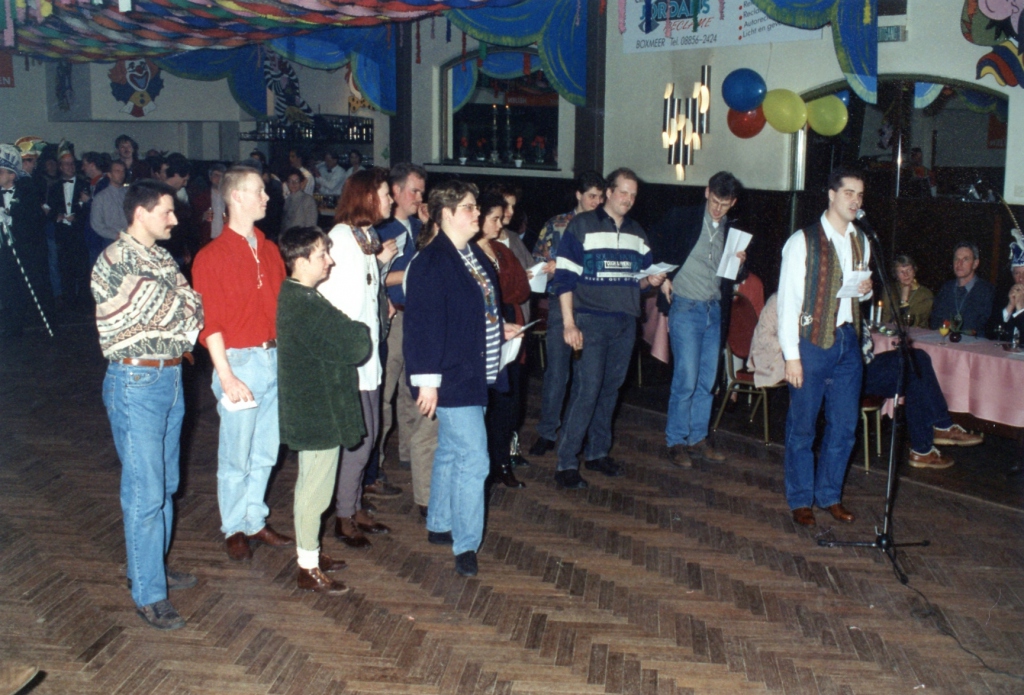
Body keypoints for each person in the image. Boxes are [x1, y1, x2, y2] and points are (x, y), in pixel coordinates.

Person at [92, 179, 203, 629]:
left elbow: (194, 309)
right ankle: (148, 593)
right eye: (166, 212)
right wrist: (181, 303)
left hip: (171, 375)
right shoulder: (115, 259)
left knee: (166, 484)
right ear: (140, 213)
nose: (175, 219)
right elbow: (169, 310)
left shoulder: (159, 256)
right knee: (145, 491)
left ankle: (150, 564)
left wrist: (182, 303)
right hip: (136, 381)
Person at [404, 180, 519, 577]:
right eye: (469, 208)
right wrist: (426, 381)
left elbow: (477, 308)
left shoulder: (473, 255)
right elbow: (422, 327)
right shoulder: (431, 261)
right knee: (475, 459)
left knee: (453, 451)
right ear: (447, 214)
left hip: (475, 369)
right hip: (450, 376)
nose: (478, 214)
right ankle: (466, 545)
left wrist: (499, 327)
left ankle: (440, 523)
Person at [192, 166, 294, 561]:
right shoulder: (211, 256)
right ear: (236, 196)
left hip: (273, 357)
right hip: (238, 362)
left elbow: (281, 310)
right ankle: (233, 526)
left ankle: (254, 520)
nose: (267, 198)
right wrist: (226, 376)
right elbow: (210, 324)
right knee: (236, 453)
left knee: (266, 450)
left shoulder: (269, 250)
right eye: (259, 191)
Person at [549, 168, 666, 489]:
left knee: (610, 390)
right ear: (609, 193)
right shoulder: (582, 225)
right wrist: (569, 323)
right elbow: (564, 278)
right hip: (590, 321)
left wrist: (652, 280)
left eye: (633, 194)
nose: (628, 199)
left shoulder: (638, 233)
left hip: (625, 323)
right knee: (587, 390)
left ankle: (598, 453)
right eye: (623, 192)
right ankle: (566, 463)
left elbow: (638, 281)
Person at [277, 225, 373, 595]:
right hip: (316, 409)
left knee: (313, 486)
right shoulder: (304, 304)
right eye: (322, 254)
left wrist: (352, 331)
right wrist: (357, 329)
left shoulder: (303, 297)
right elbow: (355, 344)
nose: (329, 261)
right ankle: (307, 567)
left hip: (318, 405)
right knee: (314, 493)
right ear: (301, 261)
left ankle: (311, 553)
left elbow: (347, 338)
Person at [777, 168, 873, 527]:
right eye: (849, 193)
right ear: (831, 195)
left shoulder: (861, 240)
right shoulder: (802, 241)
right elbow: (788, 303)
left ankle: (829, 494)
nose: (855, 201)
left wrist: (866, 291)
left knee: (844, 426)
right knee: (803, 427)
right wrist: (792, 357)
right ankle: (801, 498)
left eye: (860, 195)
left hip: (847, 341)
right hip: (812, 342)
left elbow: (856, 292)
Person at [317, 168, 397, 549]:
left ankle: (354, 505)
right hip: (349, 359)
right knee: (358, 440)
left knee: (370, 435)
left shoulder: (366, 237)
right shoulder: (339, 239)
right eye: (385, 193)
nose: (391, 200)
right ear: (367, 197)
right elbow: (332, 302)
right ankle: (343, 515)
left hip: (368, 356)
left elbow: (365, 288)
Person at [649, 171, 745, 468]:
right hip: (686, 307)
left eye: (724, 204)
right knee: (686, 379)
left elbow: (731, 277)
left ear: (733, 203)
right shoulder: (683, 217)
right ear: (706, 192)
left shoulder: (732, 229)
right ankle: (676, 440)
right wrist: (663, 277)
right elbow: (651, 243)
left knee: (707, 380)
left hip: (714, 310)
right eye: (715, 201)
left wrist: (740, 265)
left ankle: (698, 438)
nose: (717, 209)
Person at [529, 171, 605, 457]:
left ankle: (576, 433)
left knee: (586, 377)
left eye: (601, 197)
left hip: (593, 307)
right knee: (557, 373)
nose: (597, 202)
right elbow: (536, 263)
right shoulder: (557, 224)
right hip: (561, 306)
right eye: (592, 196)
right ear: (578, 195)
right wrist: (547, 267)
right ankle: (547, 431)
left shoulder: (604, 226)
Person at [376, 163, 434, 511]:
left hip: (418, 317)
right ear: (395, 191)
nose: (419, 197)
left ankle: (411, 454)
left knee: (413, 391)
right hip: (394, 317)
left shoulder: (417, 227)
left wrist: (429, 229)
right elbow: (377, 277)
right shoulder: (383, 229)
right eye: (414, 191)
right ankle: (374, 465)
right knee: (384, 393)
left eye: (422, 191)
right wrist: (414, 271)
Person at [476, 191, 530, 489]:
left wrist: (500, 290)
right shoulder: (468, 251)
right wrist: (500, 291)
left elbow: (521, 288)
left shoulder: (500, 249)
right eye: (495, 219)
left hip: (510, 326)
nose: (500, 225)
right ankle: (484, 465)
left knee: (508, 402)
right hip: (485, 330)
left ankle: (502, 462)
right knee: (486, 402)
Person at [0, 143, 51, 337]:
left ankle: (43, 322)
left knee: (29, 286)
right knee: (7, 287)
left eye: (1, 172)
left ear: (12, 175)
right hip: (4, 251)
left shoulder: (27, 192)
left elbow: (35, 221)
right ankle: (12, 327)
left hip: (26, 250)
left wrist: (12, 220)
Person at [46, 142, 91, 310]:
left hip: (80, 233)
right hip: (63, 234)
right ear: (60, 166)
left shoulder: (84, 184)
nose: (70, 167)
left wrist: (77, 217)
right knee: (65, 269)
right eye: (66, 164)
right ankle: (69, 303)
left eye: (72, 163)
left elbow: (89, 209)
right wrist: (57, 217)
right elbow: (48, 209)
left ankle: (84, 303)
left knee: (82, 269)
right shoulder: (54, 187)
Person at [929, 242, 995, 335]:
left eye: (965, 259)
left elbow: (983, 325)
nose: (959, 264)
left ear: (975, 264)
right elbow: (935, 321)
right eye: (957, 259)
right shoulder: (946, 288)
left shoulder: (987, 291)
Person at [881, 254, 933, 328]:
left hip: (916, 333)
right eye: (901, 272)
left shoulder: (926, 294)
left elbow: (913, 320)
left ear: (914, 271)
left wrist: (904, 301)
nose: (906, 275)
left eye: (909, 270)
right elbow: (885, 316)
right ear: (896, 275)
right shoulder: (890, 290)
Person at [89, 161, 128, 245]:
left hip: (130, 238)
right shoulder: (101, 197)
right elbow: (96, 224)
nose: (121, 174)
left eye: (123, 171)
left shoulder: (129, 194)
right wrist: (115, 235)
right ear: (109, 174)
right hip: (111, 240)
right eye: (117, 171)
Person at [995, 232, 1024, 339]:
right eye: (1017, 273)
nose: (1021, 278)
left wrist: (1020, 309)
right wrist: (1010, 307)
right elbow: (991, 333)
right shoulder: (1005, 295)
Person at [281, 167, 318, 234]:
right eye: (290, 181)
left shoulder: (308, 200)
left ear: (301, 183)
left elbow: (311, 226)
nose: (294, 184)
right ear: (287, 183)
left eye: (297, 181)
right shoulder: (287, 200)